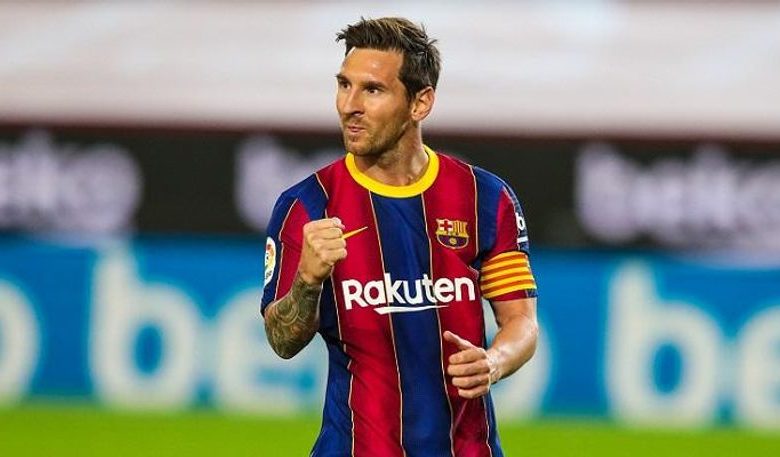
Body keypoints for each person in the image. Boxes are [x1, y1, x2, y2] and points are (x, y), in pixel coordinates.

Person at [261, 17, 538, 457]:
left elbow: (521, 322)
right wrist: (307, 282)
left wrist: (494, 361)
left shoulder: (484, 198)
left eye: (372, 90)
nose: (349, 105)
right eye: (344, 85)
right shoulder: (306, 205)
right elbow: (281, 341)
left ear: (420, 103)